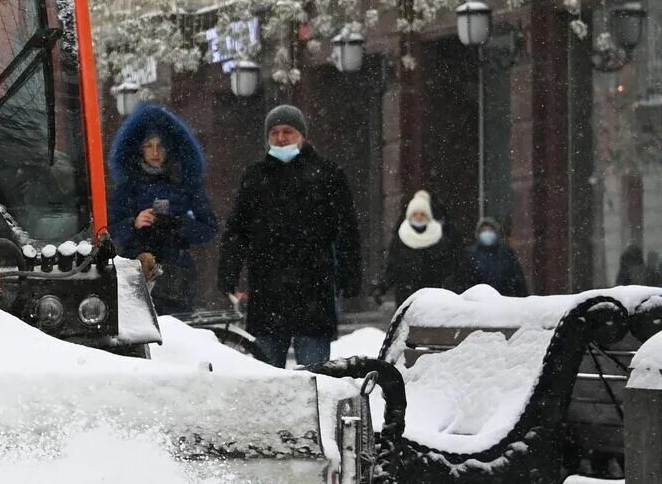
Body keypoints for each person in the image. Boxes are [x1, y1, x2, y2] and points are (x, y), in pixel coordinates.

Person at [218, 104, 362, 368]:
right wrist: (228, 274)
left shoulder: (328, 175)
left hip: (313, 289)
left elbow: (346, 230)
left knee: (315, 377)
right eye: (274, 132)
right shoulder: (255, 177)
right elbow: (237, 231)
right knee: (267, 378)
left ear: (302, 135)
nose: (281, 138)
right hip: (267, 290)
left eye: (288, 131)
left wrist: (349, 275)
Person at [106, 102, 219, 316]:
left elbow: (210, 228)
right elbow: (108, 230)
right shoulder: (127, 188)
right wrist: (135, 223)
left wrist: (179, 224)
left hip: (177, 275)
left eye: (161, 145)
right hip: (135, 271)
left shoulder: (186, 185)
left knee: (177, 336)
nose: (155, 152)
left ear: (171, 149)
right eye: (149, 145)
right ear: (139, 149)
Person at [372, 190, 467, 306]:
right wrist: (381, 287)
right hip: (406, 296)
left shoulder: (439, 238)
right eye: (415, 214)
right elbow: (392, 267)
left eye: (422, 214)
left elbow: (449, 267)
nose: (418, 217)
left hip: (433, 297)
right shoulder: (401, 238)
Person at [467, 217, 529, 297]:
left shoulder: (506, 253)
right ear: (478, 234)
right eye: (484, 231)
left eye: (490, 230)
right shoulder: (471, 255)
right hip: (479, 302)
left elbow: (517, 280)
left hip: (505, 300)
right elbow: (466, 281)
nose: (487, 233)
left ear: (496, 233)